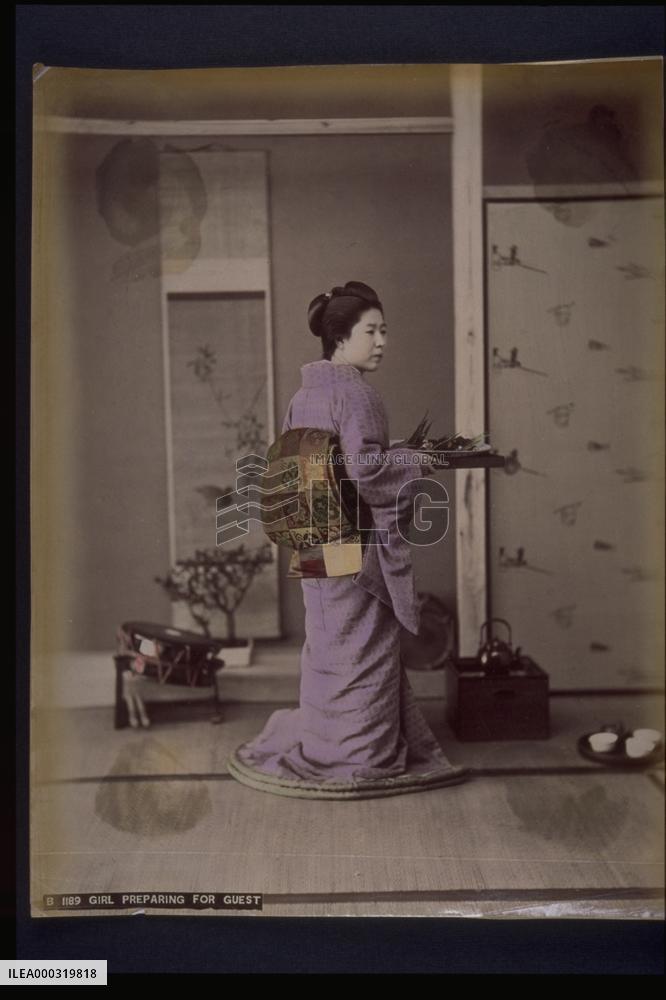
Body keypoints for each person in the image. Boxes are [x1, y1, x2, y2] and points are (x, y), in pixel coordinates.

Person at [227, 281, 471, 798]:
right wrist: (417, 460)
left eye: (385, 331)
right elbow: (366, 472)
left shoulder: (305, 394)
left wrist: (394, 453)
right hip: (356, 546)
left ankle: (323, 744)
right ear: (340, 338)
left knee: (328, 645)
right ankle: (364, 755)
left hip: (314, 537)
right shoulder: (358, 393)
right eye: (371, 331)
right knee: (366, 648)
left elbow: (322, 463)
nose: (382, 341)